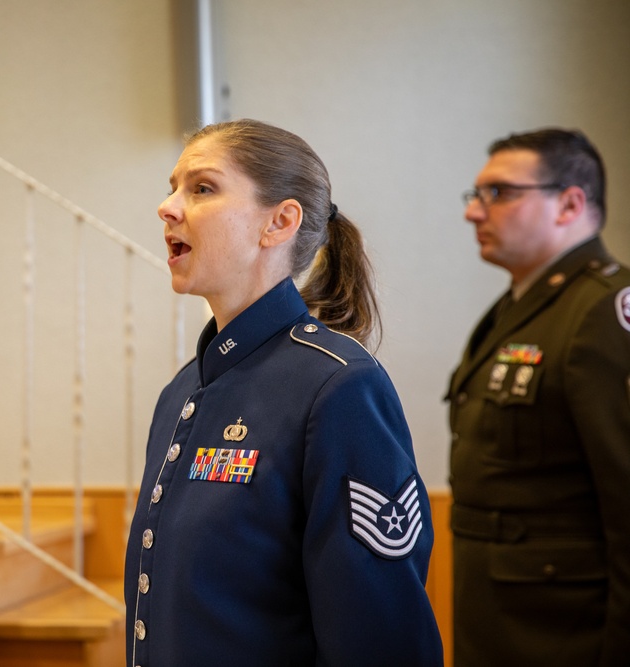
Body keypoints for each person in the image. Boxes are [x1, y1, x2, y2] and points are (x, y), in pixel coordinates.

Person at [124, 119, 443, 667]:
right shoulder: (182, 389)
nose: (168, 207)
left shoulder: (336, 386)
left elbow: (379, 639)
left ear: (279, 222)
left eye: (202, 188)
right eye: (172, 186)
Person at [448, 128, 630, 666]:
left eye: (499, 194)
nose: (475, 213)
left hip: (566, 637)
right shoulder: (520, 308)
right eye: (477, 195)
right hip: (504, 624)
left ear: (570, 203)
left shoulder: (601, 314)